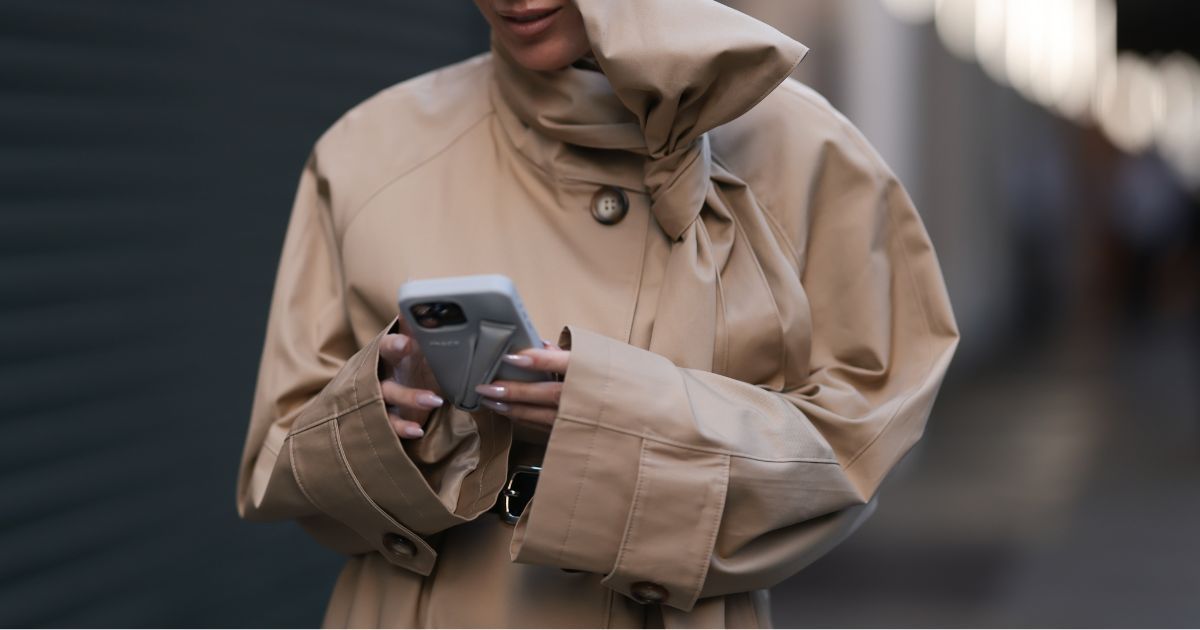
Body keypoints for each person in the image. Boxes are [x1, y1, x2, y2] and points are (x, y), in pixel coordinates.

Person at [236, 0, 959, 627]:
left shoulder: (805, 155)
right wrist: (382, 421)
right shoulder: (366, 153)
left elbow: (859, 441)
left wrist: (611, 423)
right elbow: (276, 452)